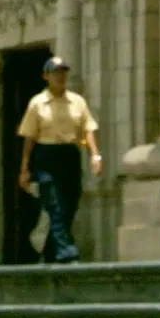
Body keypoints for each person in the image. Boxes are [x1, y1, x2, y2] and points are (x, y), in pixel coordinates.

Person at [17, 55, 101, 264]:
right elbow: (29, 138)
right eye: (55, 72)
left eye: (63, 72)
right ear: (46, 76)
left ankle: (50, 251)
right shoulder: (37, 103)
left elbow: (88, 129)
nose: (60, 76)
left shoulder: (77, 101)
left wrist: (95, 155)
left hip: (69, 154)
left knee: (70, 203)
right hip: (46, 156)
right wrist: (25, 168)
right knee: (54, 205)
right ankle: (67, 252)